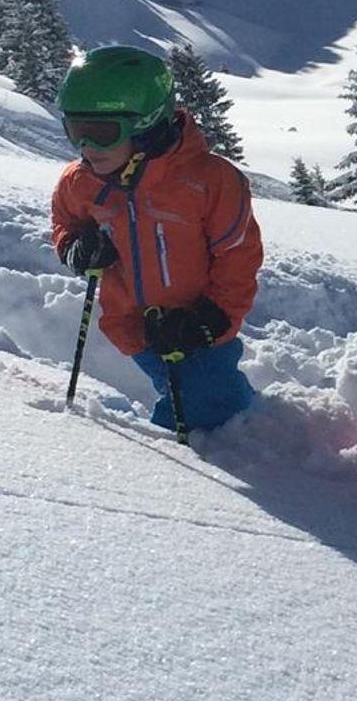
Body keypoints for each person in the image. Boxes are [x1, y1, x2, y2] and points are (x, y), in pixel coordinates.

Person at [51, 44, 263, 432]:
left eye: (102, 133)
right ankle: (245, 424)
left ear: (146, 127)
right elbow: (65, 221)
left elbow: (239, 258)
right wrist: (75, 247)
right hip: (133, 327)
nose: (87, 148)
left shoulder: (210, 182)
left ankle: (247, 432)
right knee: (198, 397)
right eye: (76, 132)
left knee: (211, 405)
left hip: (198, 329)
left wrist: (211, 318)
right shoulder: (81, 181)